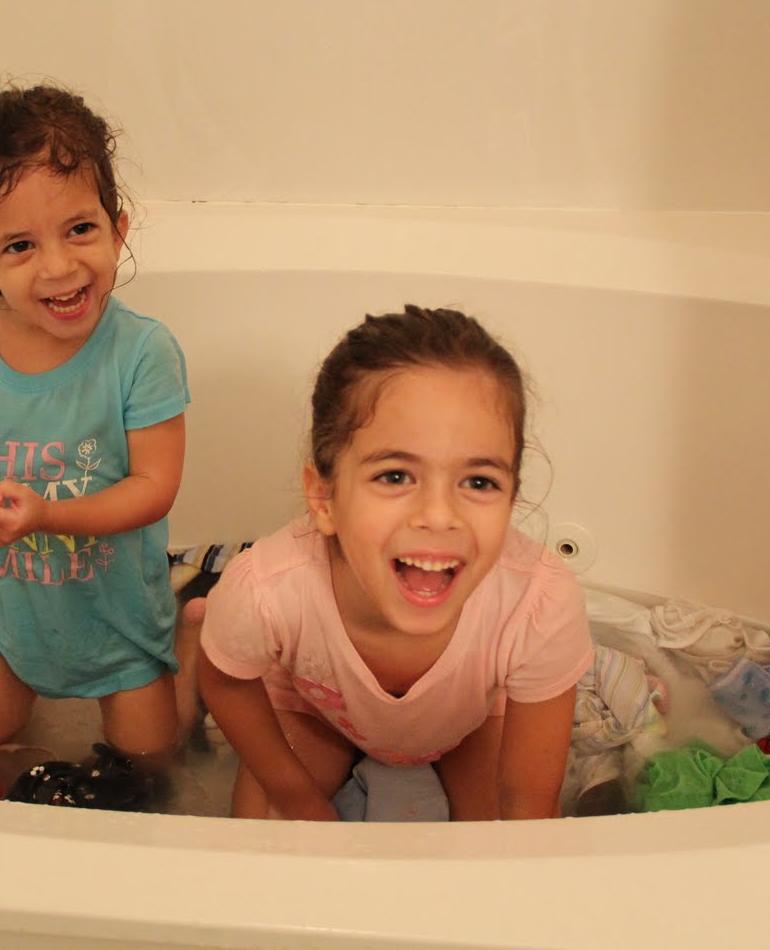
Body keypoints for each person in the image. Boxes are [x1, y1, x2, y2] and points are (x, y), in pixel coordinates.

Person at [0, 84, 193, 771]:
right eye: (20, 246)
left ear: (120, 226)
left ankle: (191, 649)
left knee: (154, 764)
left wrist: (48, 514)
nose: (59, 266)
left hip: (119, 625)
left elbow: (154, 487)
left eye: (80, 229)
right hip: (6, 613)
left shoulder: (142, 352)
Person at [198, 305, 594, 819]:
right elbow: (227, 681)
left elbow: (531, 807)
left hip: (470, 724)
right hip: (317, 711)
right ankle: (200, 630)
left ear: (513, 499)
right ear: (324, 499)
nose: (438, 515)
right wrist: (299, 799)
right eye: (394, 476)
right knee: (264, 846)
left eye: (478, 482)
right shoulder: (267, 590)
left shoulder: (537, 603)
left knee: (502, 854)